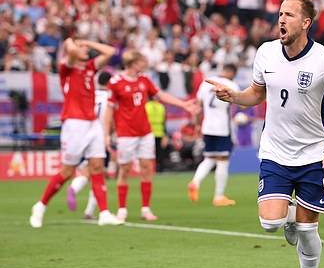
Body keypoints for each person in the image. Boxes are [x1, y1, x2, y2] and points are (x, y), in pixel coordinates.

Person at [208, 0, 324, 268]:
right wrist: (234, 96)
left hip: (314, 155)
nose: (281, 19)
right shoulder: (265, 53)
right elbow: (256, 93)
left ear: (305, 23)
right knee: (269, 224)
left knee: (307, 230)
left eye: (289, 15)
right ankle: (288, 214)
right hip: (275, 152)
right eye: (280, 13)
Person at [29, 39, 122, 228]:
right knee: (67, 171)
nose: (86, 49)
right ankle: (40, 206)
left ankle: (103, 213)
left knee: (97, 167)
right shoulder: (67, 66)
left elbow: (110, 51)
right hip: (74, 124)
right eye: (83, 48)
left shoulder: (89, 67)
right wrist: (71, 42)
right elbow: (70, 50)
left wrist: (86, 41)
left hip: (92, 124)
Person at [104, 50, 199, 222]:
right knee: (124, 170)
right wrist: (106, 134)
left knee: (147, 168)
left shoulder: (144, 80)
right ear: (134, 62)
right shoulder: (116, 82)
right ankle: (122, 209)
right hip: (126, 133)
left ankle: (145, 208)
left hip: (145, 132)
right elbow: (109, 110)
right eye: (142, 61)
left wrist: (182, 104)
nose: (145, 63)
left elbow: (160, 95)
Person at [188, 63, 240, 207]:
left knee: (210, 157)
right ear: (232, 73)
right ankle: (219, 196)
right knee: (223, 160)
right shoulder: (231, 85)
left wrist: (198, 125)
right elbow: (240, 103)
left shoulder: (206, 83)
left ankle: (195, 182)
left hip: (207, 127)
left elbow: (198, 107)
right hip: (222, 127)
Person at [66, 70, 113, 219]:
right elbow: (110, 120)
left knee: (93, 174)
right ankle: (75, 189)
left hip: (84, 134)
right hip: (99, 138)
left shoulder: (91, 95)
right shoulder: (110, 99)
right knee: (96, 174)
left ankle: (89, 211)